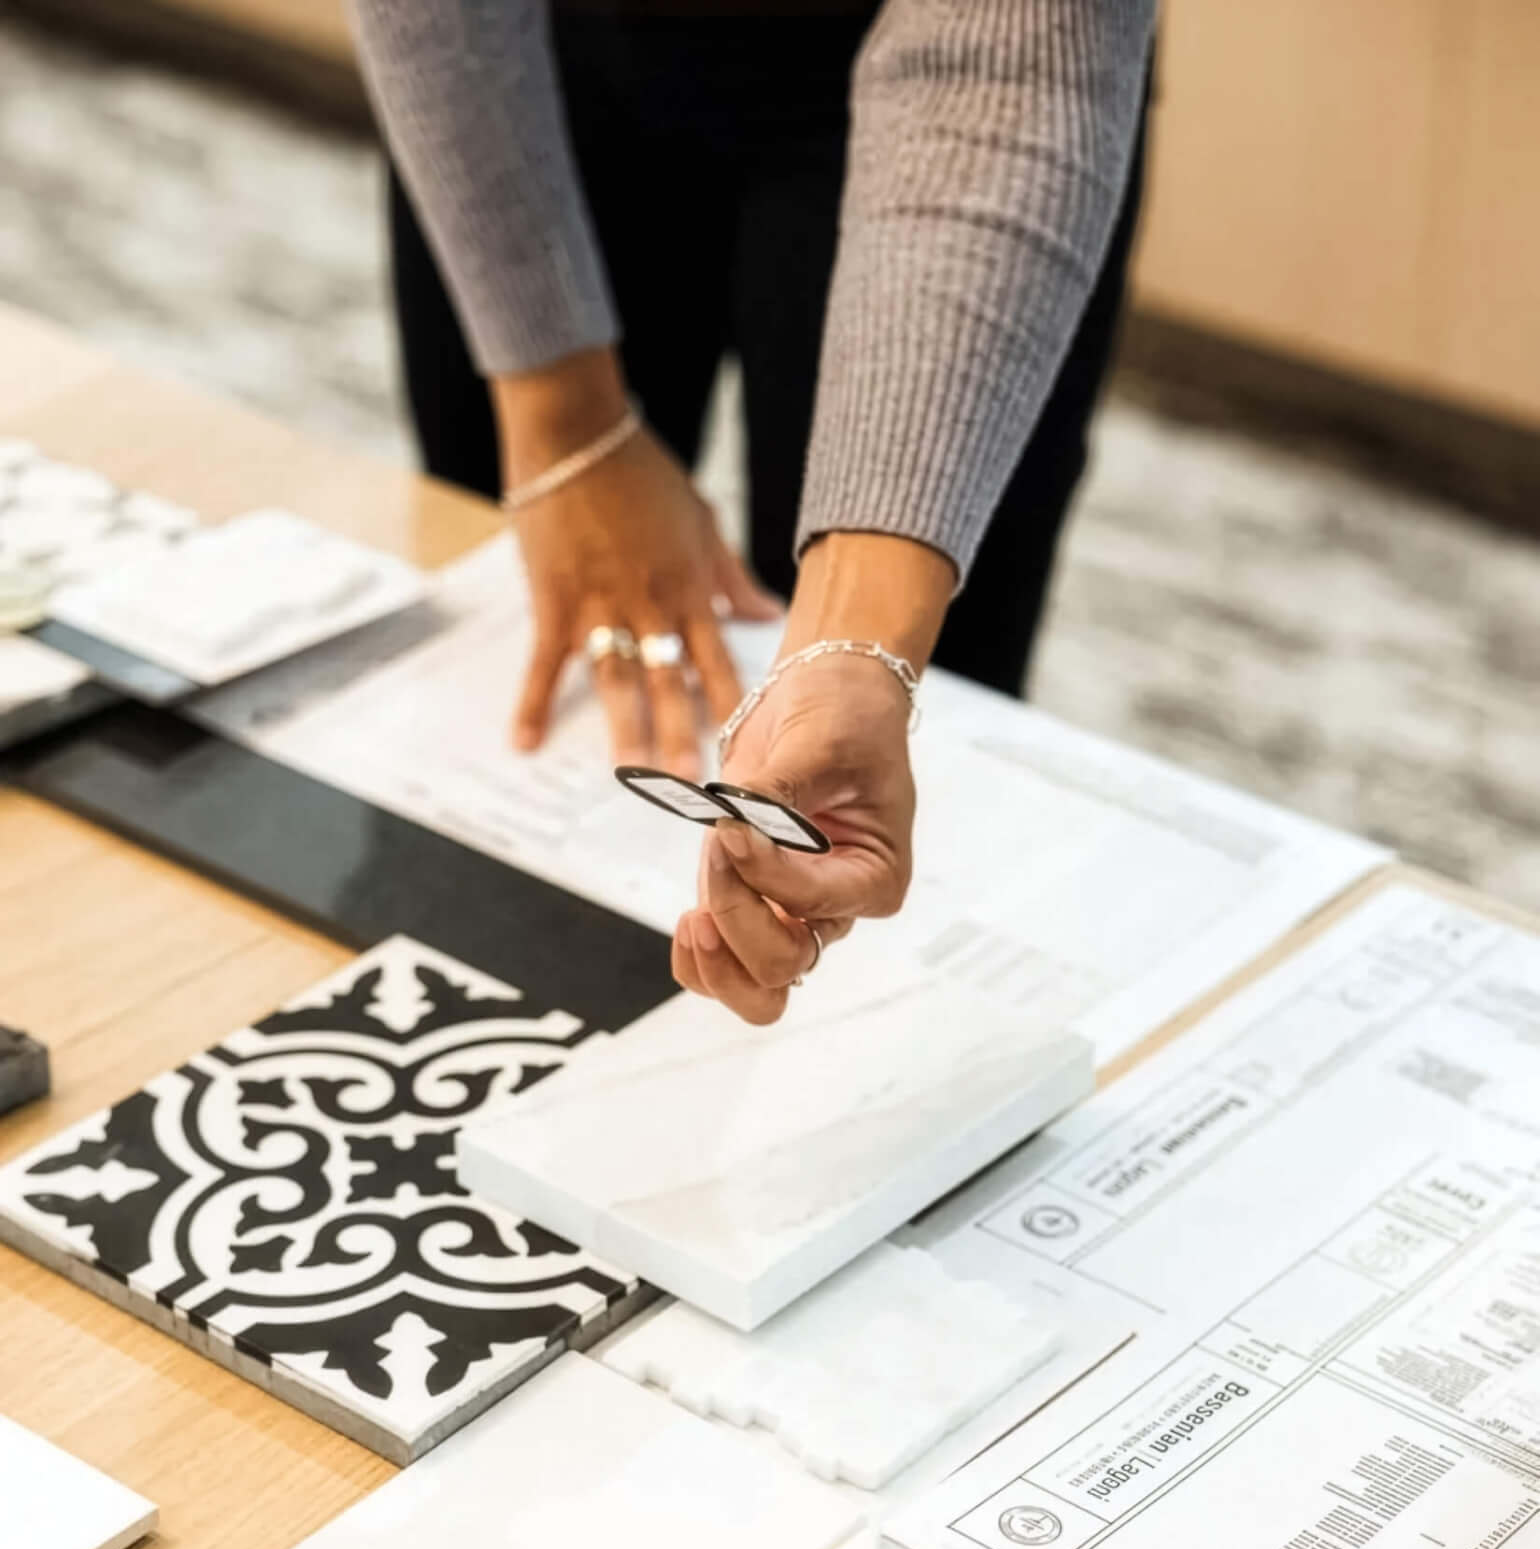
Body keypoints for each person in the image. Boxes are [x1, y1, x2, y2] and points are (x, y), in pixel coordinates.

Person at [353, 0, 1155, 1023]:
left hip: (982, 112)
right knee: (512, 667)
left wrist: (850, 652)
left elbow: (1011, 62)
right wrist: (564, 422)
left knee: (920, 739)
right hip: (526, 55)